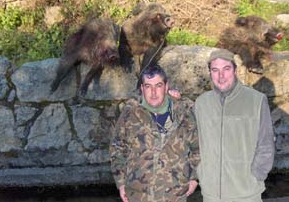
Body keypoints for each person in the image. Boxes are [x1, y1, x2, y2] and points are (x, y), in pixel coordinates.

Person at [194, 49, 275, 202]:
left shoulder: (256, 100)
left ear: (235, 70)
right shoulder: (201, 103)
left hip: (246, 194)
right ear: (210, 73)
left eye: (226, 69)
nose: (221, 76)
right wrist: (202, 174)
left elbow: (266, 144)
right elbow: (194, 142)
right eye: (215, 70)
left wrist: (256, 175)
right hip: (211, 195)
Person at [110, 65, 200, 202]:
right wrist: (121, 183)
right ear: (142, 88)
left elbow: (199, 148)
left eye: (158, 85)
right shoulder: (130, 114)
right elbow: (118, 148)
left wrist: (194, 178)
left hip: (174, 195)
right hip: (138, 196)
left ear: (166, 86)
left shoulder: (184, 113)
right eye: (148, 86)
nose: (153, 92)